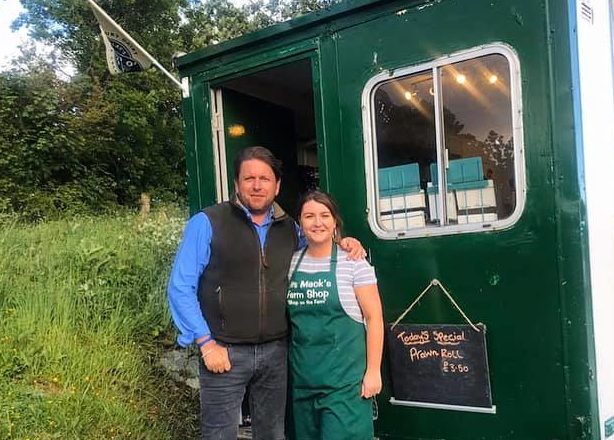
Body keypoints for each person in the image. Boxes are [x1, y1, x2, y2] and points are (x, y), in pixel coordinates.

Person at [167, 146, 365, 440]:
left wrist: (345, 243)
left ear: (277, 185)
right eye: (249, 179)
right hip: (224, 352)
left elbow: (318, 248)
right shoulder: (208, 222)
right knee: (218, 434)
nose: (257, 185)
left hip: (276, 353)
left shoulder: (291, 228)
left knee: (272, 433)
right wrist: (206, 343)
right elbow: (181, 287)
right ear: (236, 184)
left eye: (265, 178)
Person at [287, 190, 384, 440]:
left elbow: (374, 319)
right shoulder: (289, 264)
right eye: (309, 216)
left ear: (334, 222)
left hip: (344, 388)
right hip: (302, 384)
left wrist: (373, 371)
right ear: (300, 223)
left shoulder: (354, 263)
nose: (317, 222)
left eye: (324, 215)